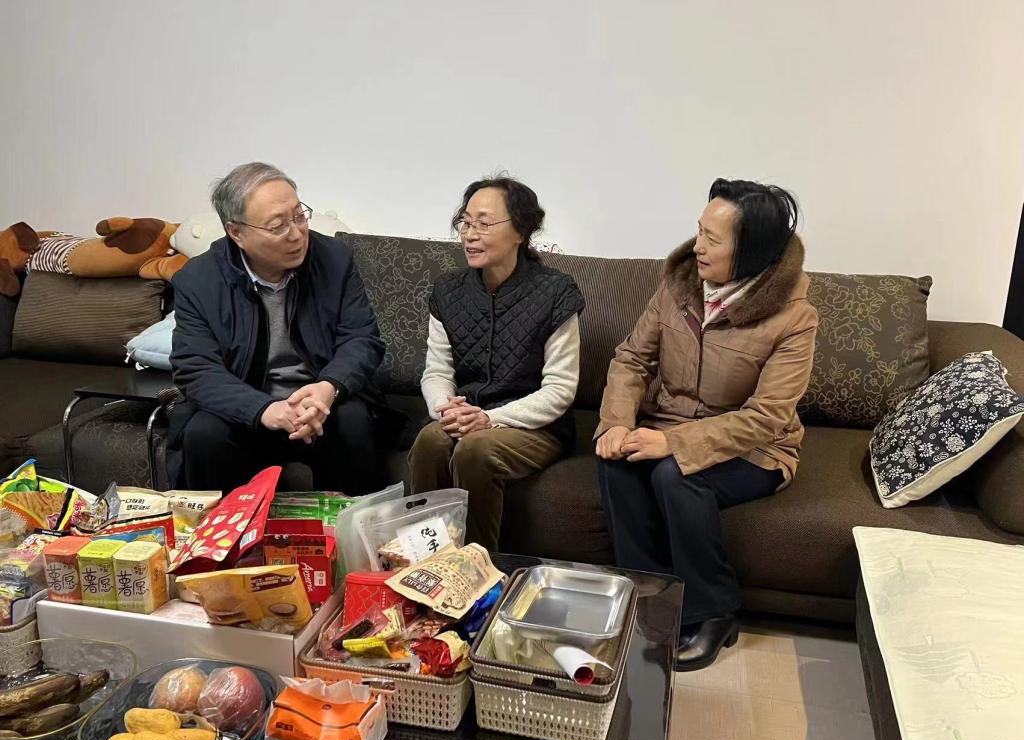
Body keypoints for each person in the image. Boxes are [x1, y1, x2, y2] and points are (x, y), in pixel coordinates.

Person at [595, 178, 818, 671]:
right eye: (699, 231)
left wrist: (673, 442)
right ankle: (652, 599)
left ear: (751, 250)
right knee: (616, 462)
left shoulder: (794, 317)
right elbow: (632, 359)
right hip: (666, 425)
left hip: (756, 448)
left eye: (712, 239)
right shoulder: (678, 286)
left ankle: (714, 613)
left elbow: (767, 417)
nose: (697, 246)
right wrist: (615, 423)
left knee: (676, 475)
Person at [167, 161, 387, 495]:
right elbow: (196, 368)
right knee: (204, 434)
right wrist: (263, 409)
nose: (296, 234)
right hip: (246, 408)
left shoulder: (334, 259)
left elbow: (361, 339)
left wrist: (329, 387)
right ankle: (223, 530)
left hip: (320, 406)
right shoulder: (198, 280)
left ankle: (351, 528)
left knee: (353, 422)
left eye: (299, 216)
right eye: (277, 226)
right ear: (236, 233)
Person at [407, 176, 585, 551]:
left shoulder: (556, 293)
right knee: (430, 440)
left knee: (475, 450)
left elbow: (560, 389)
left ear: (521, 230)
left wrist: (489, 418)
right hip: (468, 412)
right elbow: (437, 371)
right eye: (466, 222)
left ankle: (478, 566)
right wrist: (446, 410)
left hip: (534, 425)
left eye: (484, 224)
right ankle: (424, 560)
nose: (470, 235)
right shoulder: (448, 290)